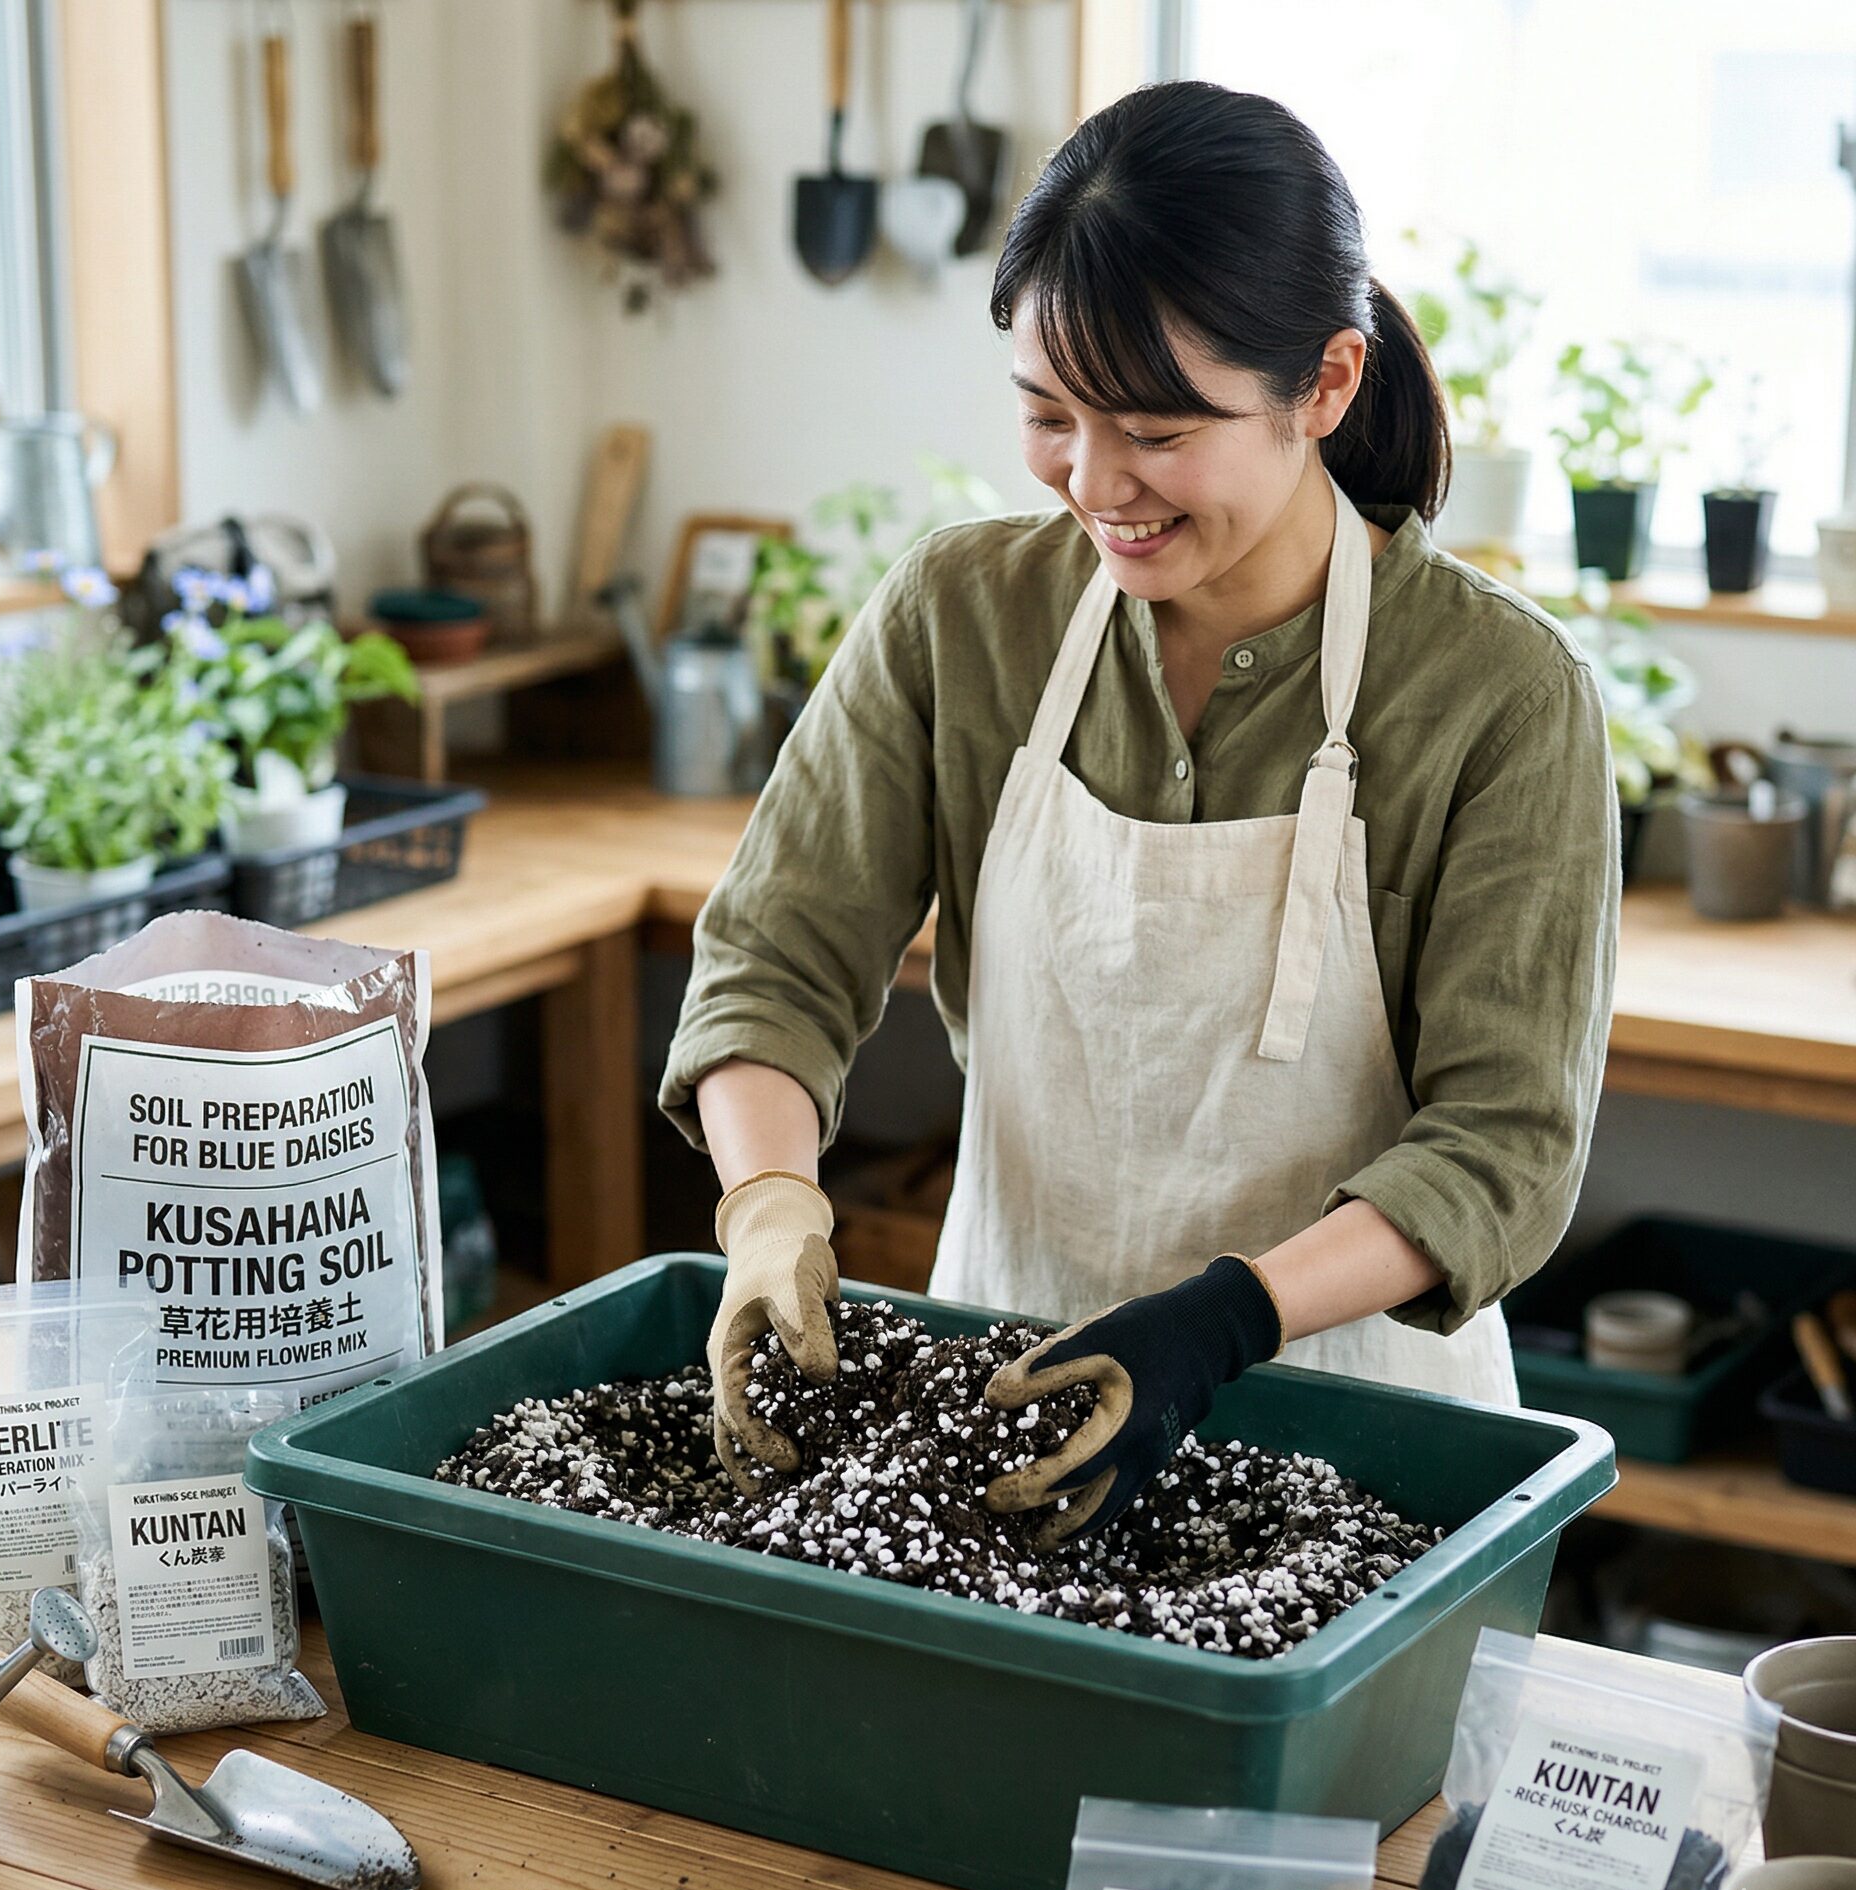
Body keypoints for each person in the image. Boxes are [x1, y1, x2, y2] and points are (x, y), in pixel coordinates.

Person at [660, 80, 1618, 1547]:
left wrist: (1225, 1320)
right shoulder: (962, 617)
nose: (1095, 485)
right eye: (1048, 416)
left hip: (1363, 1441)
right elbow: (775, 963)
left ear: (1328, 386)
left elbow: (1502, 1146)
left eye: (1158, 432)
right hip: (1007, 1411)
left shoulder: (1498, 692)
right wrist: (772, 1206)